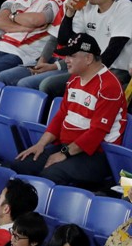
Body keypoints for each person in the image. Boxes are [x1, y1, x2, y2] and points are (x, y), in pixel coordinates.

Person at [14, 32, 127, 188]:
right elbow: (61, 116)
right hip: (68, 146)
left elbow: (97, 132)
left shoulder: (109, 86)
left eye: (71, 56)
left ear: (88, 58)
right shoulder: (74, 78)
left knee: (49, 175)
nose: (66, 60)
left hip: (98, 155)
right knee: (19, 164)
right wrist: (41, 144)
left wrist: (64, 153)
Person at [32, 0, 132, 96]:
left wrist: (86, 76)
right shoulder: (87, 6)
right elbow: (65, 41)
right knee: (47, 85)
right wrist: (69, 15)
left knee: (56, 87)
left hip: (117, 70)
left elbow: (113, 50)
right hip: (89, 67)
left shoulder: (124, 7)